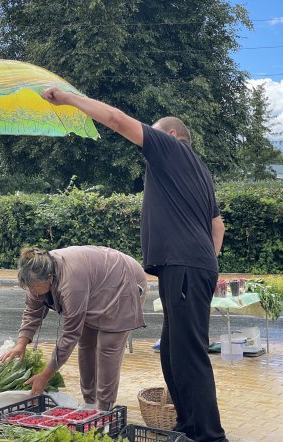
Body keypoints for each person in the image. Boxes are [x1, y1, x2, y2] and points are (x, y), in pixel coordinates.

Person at [41, 88, 227, 442]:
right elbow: (217, 226)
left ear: (170, 135)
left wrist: (69, 99)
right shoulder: (200, 171)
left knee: (189, 356)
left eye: (154, 134)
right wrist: (208, 262)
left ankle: (210, 437)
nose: (148, 148)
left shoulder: (170, 150)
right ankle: (187, 427)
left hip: (185, 266)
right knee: (172, 354)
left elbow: (116, 119)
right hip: (188, 268)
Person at [0, 245, 147, 411]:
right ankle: (89, 402)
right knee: (86, 343)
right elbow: (32, 311)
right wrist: (21, 344)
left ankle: (105, 409)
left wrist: (46, 375)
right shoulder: (34, 273)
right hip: (95, 283)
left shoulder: (71, 283)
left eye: (35, 288)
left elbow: (70, 334)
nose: (33, 292)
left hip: (124, 279)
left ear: (50, 278)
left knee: (108, 346)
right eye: (29, 288)